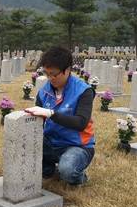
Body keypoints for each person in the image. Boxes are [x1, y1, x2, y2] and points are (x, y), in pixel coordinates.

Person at [25, 46, 95, 186]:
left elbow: (81, 122)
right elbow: (37, 121)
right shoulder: (44, 92)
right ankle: (48, 169)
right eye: (47, 73)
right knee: (26, 149)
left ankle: (78, 177)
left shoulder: (84, 91)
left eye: (54, 74)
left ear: (67, 70)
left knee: (68, 171)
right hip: (51, 142)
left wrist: (52, 114)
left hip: (77, 145)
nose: (50, 78)